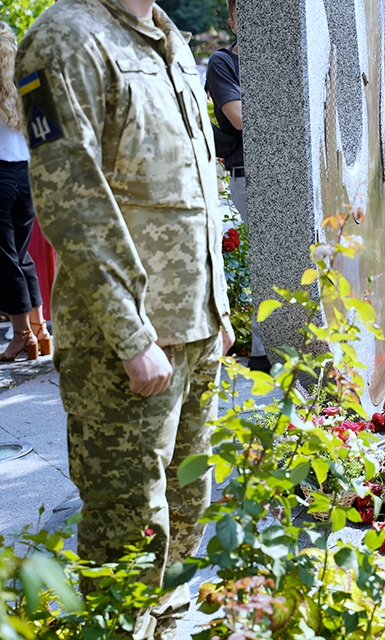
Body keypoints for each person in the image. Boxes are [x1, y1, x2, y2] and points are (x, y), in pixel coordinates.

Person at [16, 0, 234, 635]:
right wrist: (131, 333)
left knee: (188, 506)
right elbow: (68, 195)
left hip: (194, 325)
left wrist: (216, 305)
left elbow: (193, 183)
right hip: (124, 341)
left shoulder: (168, 37)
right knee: (128, 530)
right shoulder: (66, 36)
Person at [205, 0, 269, 373]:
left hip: (292, 174)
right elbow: (241, 118)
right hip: (250, 173)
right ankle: (263, 353)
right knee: (267, 261)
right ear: (232, 20)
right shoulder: (223, 63)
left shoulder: (281, 57)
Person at [0, 21, 50, 363]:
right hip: (28, 173)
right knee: (22, 256)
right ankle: (41, 330)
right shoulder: (28, 76)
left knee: (5, 259)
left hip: (1, 174)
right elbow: (46, 125)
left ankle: (22, 335)